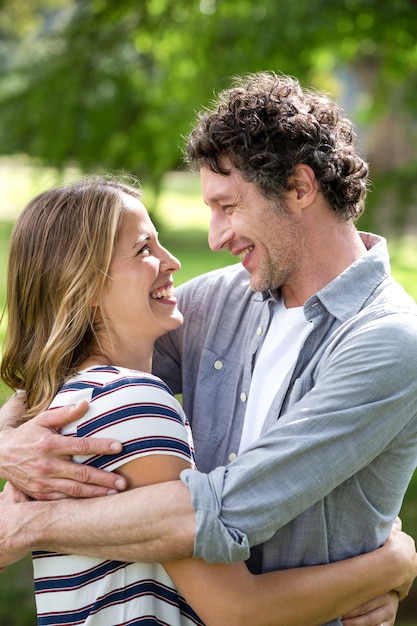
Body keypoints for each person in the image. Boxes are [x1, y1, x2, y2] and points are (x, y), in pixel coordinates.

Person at [1, 72, 417, 625]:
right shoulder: (220, 300)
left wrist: (33, 524)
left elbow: (222, 510)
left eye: (228, 206)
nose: (215, 238)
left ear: (299, 187)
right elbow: (75, 359)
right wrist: (6, 445)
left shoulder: (385, 341)